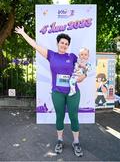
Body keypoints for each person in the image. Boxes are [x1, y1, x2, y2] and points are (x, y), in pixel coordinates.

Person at [15, 26, 86, 157]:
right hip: (57, 92)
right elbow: (35, 45)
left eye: (66, 43)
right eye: (62, 42)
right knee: (59, 116)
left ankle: (76, 142)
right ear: (58, 43)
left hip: (73, 92)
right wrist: (23, 33)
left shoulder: (72, 57)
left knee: (73, 117)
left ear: (68, 45)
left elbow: (83, 69)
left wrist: (83, 76)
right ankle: (60, 140)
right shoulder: (51, 55)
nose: (64, 45)